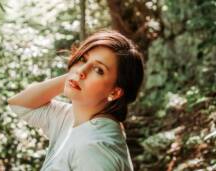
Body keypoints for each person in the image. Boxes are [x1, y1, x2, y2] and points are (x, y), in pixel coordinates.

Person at [7, 30, 144, 171]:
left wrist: (76, 76)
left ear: (114, 92)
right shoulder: (72, 117)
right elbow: (19, 105)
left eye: (98, 70)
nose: (82, 70)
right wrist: (74, 76)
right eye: (83, 59)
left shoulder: (94, 148)